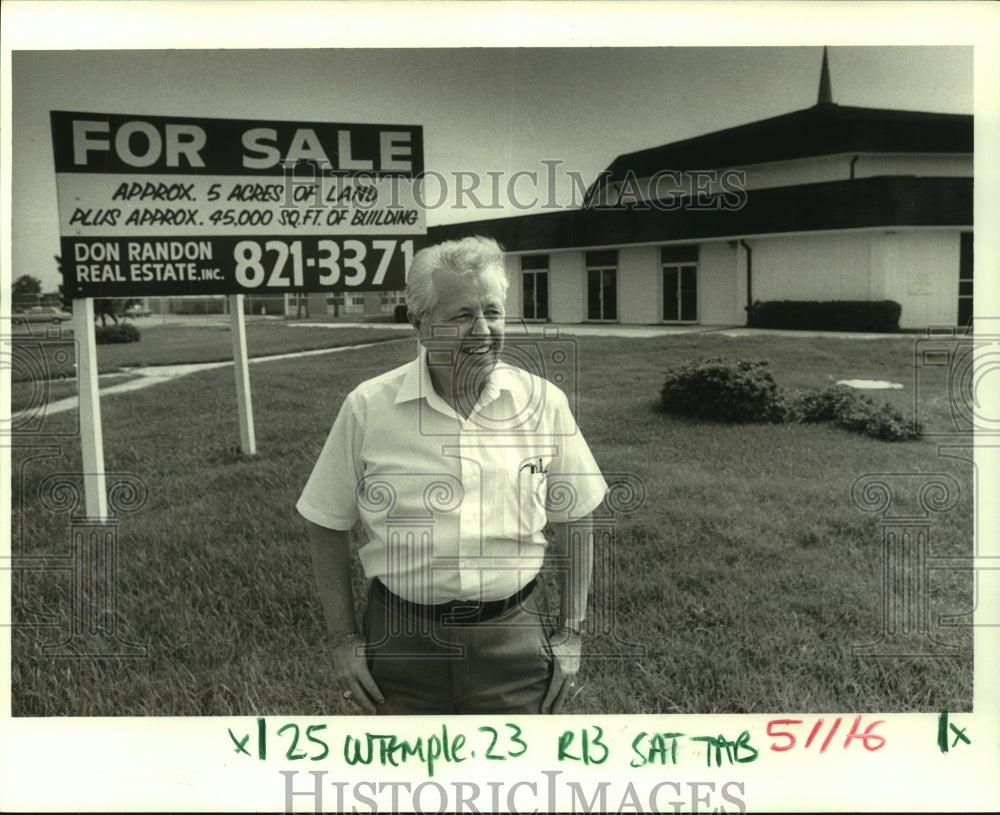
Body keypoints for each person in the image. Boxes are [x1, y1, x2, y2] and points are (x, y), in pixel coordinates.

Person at [297, 235, 607, 714]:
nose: (483, 330)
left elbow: (577, 517)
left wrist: (571, 633)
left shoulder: (543, 403)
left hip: (515, 642)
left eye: (493, 311)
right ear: (420, 325)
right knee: (403, 785)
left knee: (514, 783)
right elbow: (325, 520)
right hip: (398, 647)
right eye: (462, 315)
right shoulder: (368, 408)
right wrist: (343, 640)